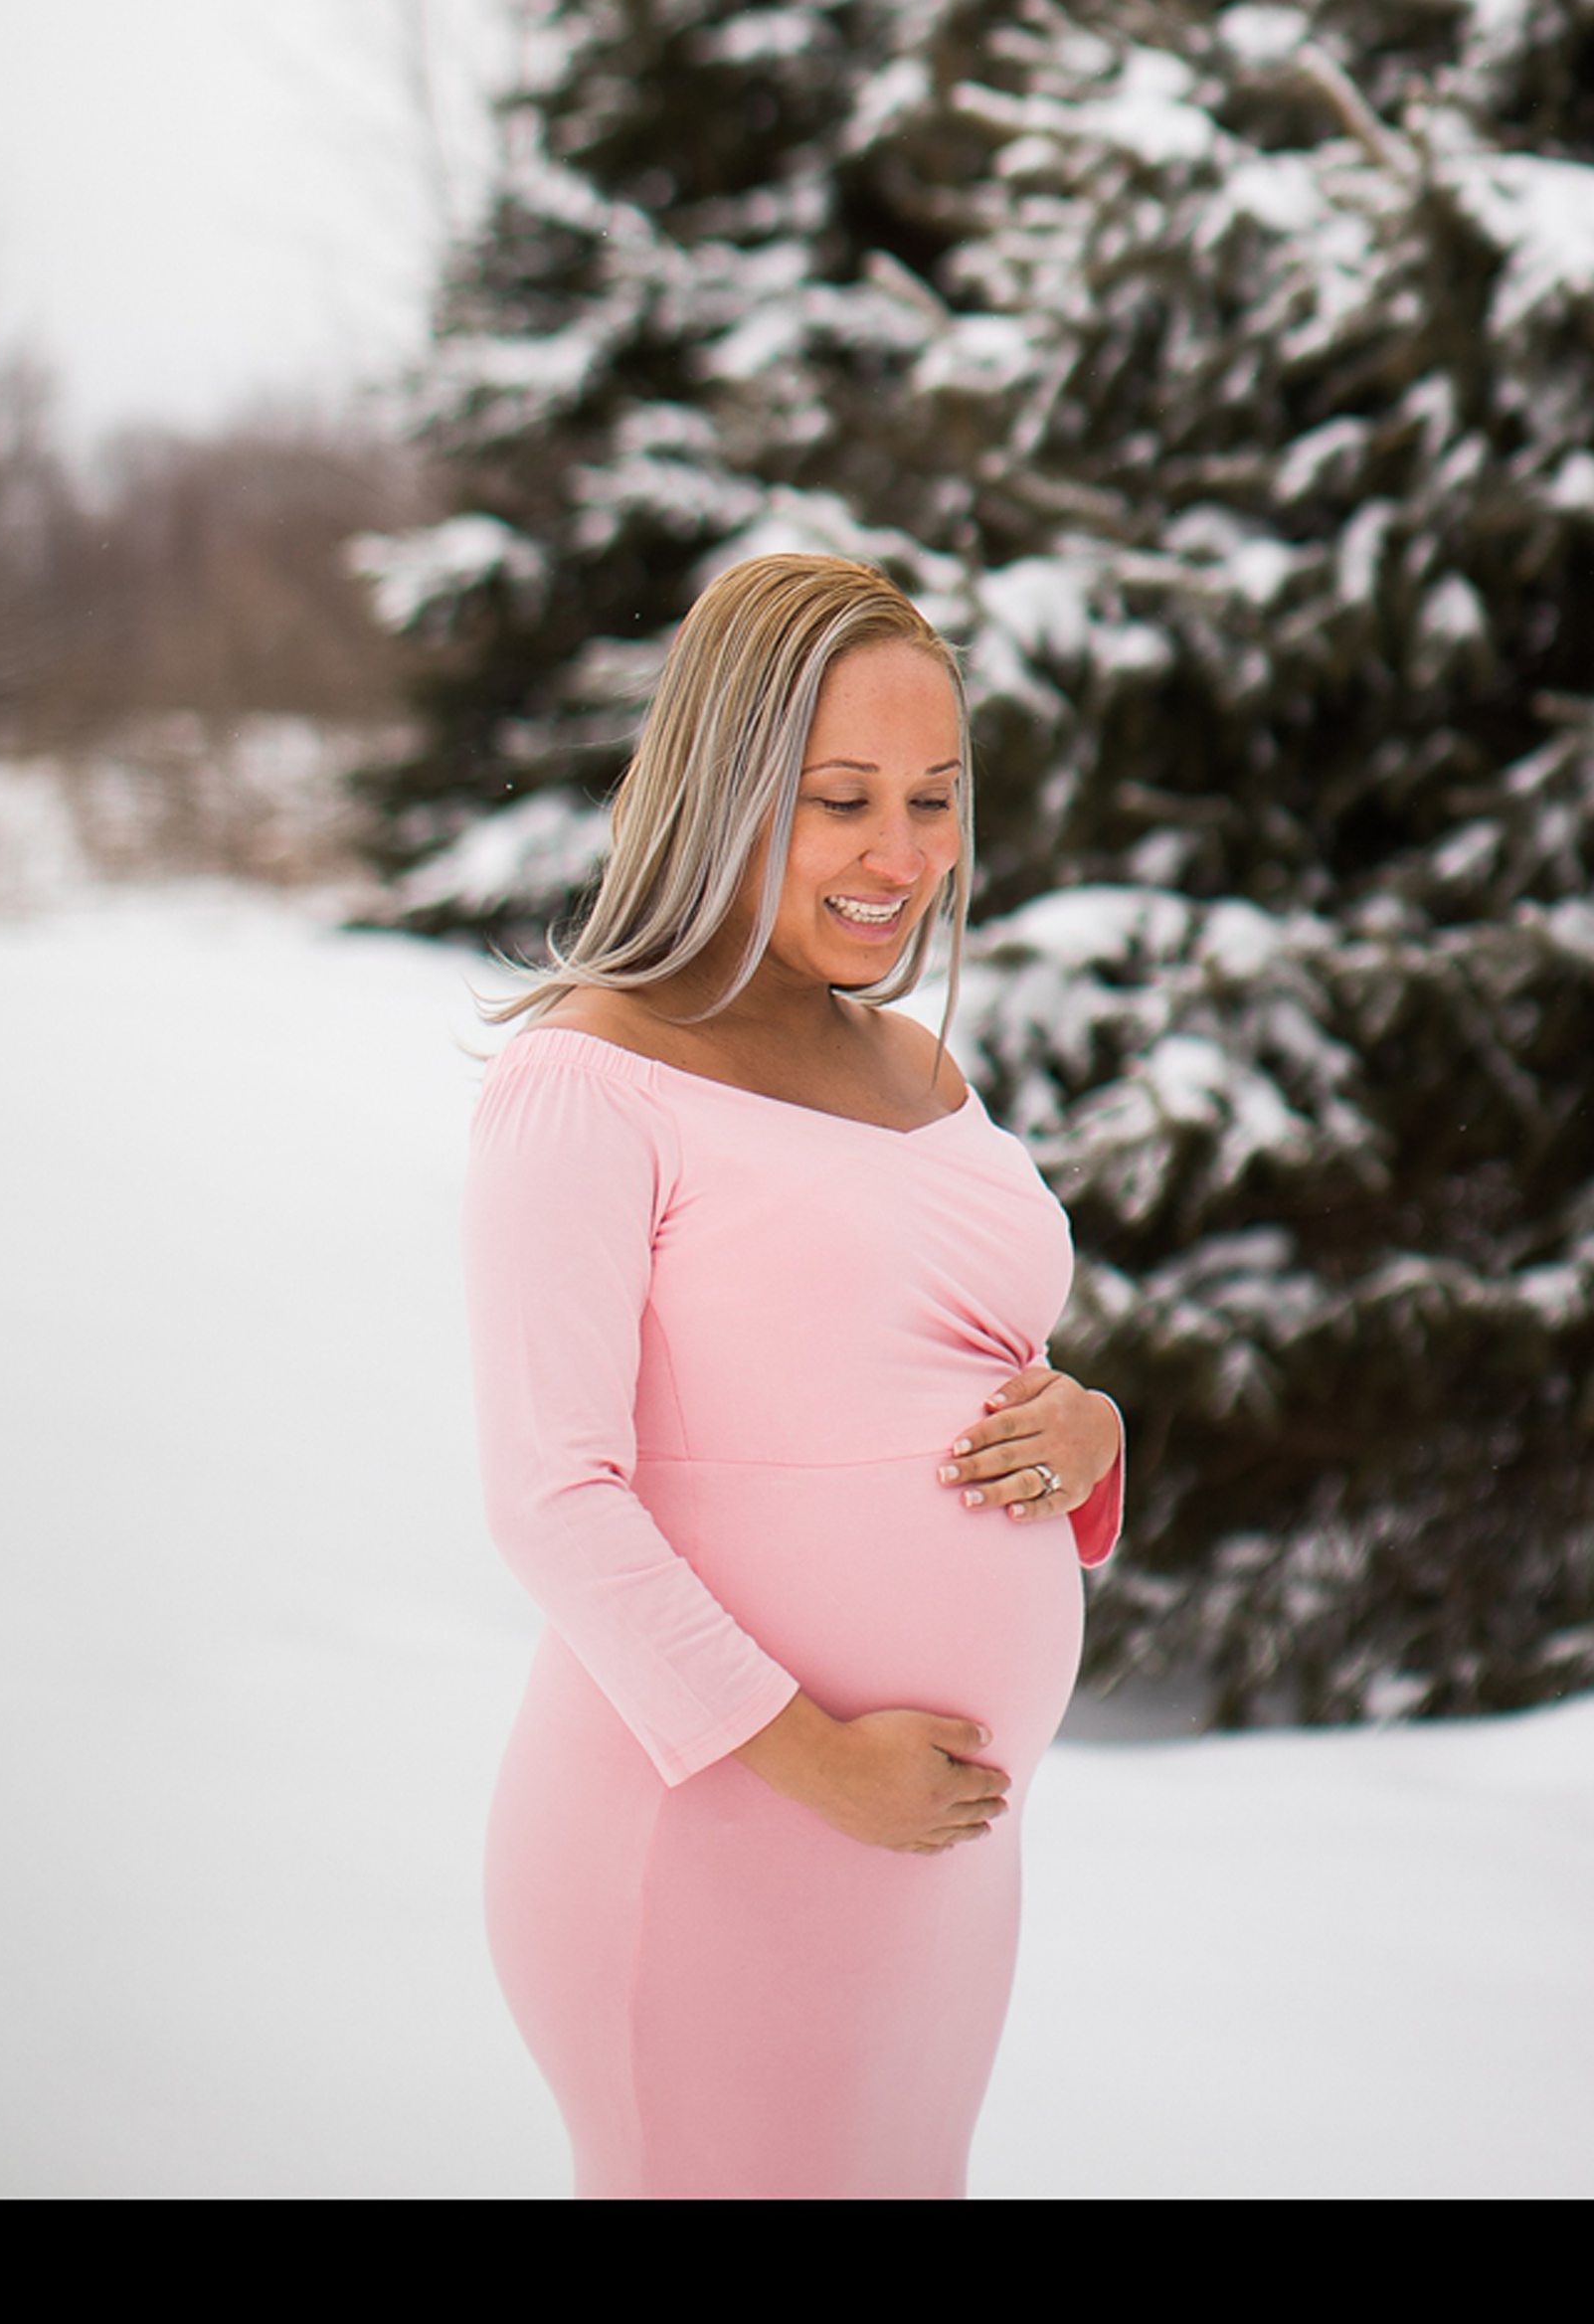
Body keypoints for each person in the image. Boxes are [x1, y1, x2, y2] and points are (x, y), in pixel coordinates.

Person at [462, 550, 1125, 2203]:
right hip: (715, 1836)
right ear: (725, 786)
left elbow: (959, 1357)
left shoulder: (915, 1062)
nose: (902, 857)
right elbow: (553, 1501)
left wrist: (1094, 1430)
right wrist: (820, 1757)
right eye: (842, 799)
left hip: (933, 1863)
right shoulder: (590, 1084)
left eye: (934, 795)